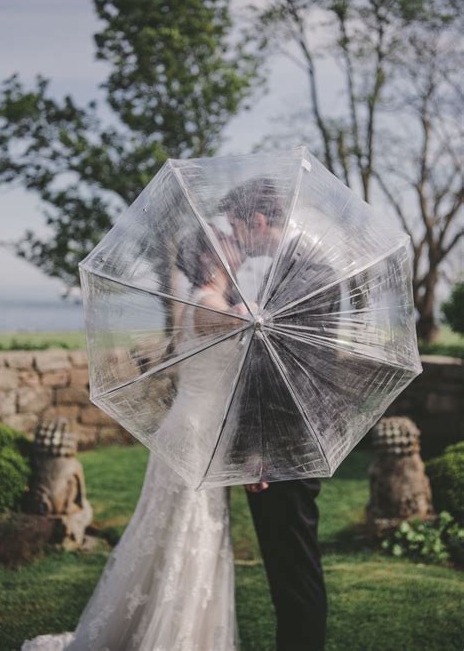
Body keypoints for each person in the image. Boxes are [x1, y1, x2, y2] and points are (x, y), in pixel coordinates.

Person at [21, 226, 250, 651]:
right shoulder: (208, 305)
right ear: (210, 259)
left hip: (200, 431)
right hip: (195, 435)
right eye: (229, 244)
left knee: (185, 532)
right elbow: (242, 320)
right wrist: (258, 307)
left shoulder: (202, 303)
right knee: (188, 530)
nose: (239, 250)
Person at [219, 177, 341, 651]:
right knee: (287, 566)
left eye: (236, 226)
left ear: (258, 220)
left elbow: (279, 373)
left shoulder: (306, 271)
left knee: (293, 568)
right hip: (287, 440)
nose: (237, 237)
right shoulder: (292, 265)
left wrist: (257, 450)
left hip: (285, 442)